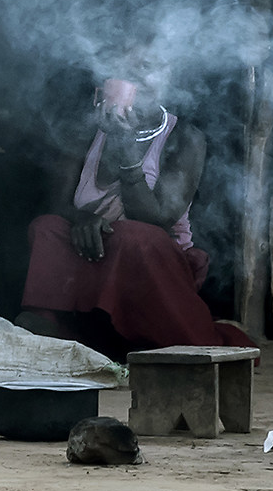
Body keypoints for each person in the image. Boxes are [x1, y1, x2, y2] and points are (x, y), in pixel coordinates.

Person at [15, 70, 252, 353]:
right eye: (126, 74)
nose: (135, 83)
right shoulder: (85, 130)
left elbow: (158, 218)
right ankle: (51, 323)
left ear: (166, 84)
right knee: (47, 226)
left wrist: (126, 150)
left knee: (134, 235)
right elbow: (56, 202)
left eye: (146, 72)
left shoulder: (186, 138)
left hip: (151, 264)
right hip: (92, 251)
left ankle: (133, 336)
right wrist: (83, 218)